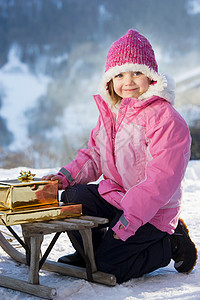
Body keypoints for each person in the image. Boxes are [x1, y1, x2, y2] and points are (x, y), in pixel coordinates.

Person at [42, 29, 197, 283]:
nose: (129, 81)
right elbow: (94, 156)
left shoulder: (166, 119)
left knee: (109, 267)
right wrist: (63, 178)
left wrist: (129, 220)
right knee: (72, 197)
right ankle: (91, 253)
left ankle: (170, 243)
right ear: (110, 80)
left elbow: (161, 180)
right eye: (120, 74)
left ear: (151, 77)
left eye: (137, 72)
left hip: (152, 211)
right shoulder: (112, 113)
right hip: (118, 199)